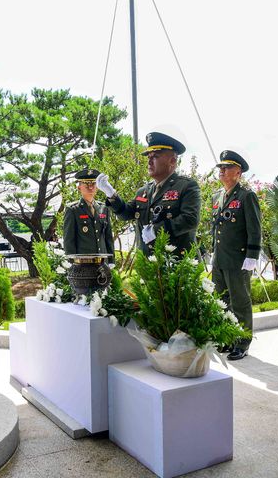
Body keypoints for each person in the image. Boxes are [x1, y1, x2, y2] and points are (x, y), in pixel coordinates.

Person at [96, 132, 201, 256]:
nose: (149, 161)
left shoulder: (186, 186)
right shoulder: (144, 191)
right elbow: (126, 214)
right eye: (148, 157)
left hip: (176, 263)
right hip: (148, 262)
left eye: (155, 156)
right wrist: (112, 195)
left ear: (172, 161)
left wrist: (156, 231)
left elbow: (190, 220)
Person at [210, 150, 262, 360]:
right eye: (220, 168)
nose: (222, 171)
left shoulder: (246, 196)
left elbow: (255, 228)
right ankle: (227, 338)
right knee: (221, 301)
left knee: (240, 302)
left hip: (239, 259)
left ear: (238, 172)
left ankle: (242, 342)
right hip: (220, 259)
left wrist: (252, 255)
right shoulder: (217, 196)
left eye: (227, 167)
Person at [62, 168, 115, 263]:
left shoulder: (104, 208)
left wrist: (111, 261)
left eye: (93, 184)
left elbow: (108, 237)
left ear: (97, 187)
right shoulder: (73, 210)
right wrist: (72, 264)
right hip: (83, 264)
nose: (90, 187)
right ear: (79, 188)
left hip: (103, 263)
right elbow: (69, 241)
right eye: (86, 184)